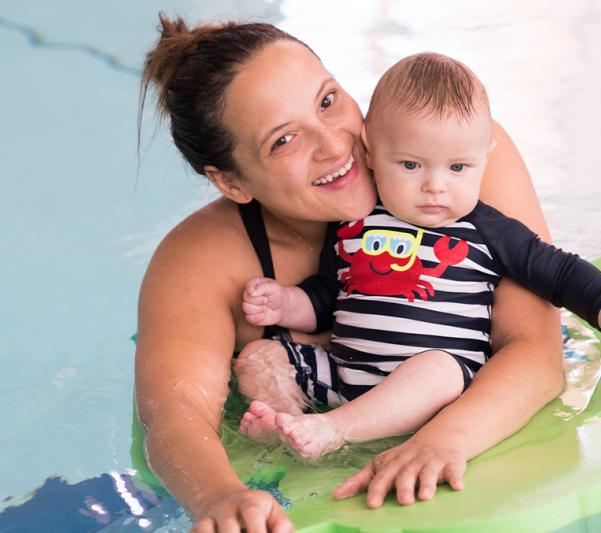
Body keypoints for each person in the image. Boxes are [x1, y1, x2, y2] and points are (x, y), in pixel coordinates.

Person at [136, 13, 566, 533]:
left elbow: (537, 351)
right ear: (231, 183)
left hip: (468, 440)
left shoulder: (448, 157)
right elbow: (175, 410)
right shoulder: (205, 259)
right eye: (283, 140)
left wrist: (441, 441)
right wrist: (222, 497)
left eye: (327, 100)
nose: (335, 145)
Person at [236, 53, 601, 461]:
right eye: (410, 165)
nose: (435, 186)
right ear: (370, 153)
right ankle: (289, 425)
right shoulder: (353, 226)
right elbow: (328, 297)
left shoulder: (487, 230)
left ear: (485, 159)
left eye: (457, 168)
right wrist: (286, 303)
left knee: (440, 368)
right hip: (347, 378)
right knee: (260, 356)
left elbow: (558, 271)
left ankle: (332, 430)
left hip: (435, 395)